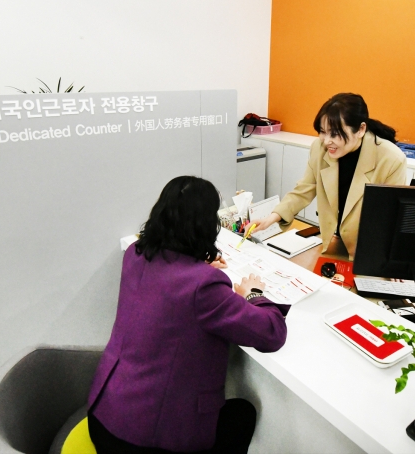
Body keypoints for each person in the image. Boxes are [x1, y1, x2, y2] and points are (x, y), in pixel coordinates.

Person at [87, 176, 290, 454]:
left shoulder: (135, 254)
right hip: (145, 441)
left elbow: (169, 283)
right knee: (241, 414)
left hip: (103, 416)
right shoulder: (203, 286)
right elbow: (272, 333)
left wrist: (199, 265)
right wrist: (254, 293)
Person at [250, 93, 406, 260]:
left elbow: (392, 219)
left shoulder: (391, 159)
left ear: (361, 129)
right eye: (322, 132)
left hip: (370, 251)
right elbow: (304, 190)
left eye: (335, 134)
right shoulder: (319, 148)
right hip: (334, 242)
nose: (326, 141)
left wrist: (394, 260)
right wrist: (272, 218)